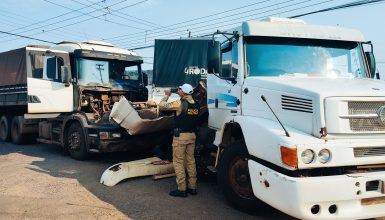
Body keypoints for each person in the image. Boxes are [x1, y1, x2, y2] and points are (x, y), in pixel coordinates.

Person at [158, 83, 200, 197]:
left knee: (178, 162)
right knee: (191, 161)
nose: (178, 91)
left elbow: (162, 106)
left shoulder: (180, 103)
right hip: (192, 136)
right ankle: (193, 187)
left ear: (184, 92)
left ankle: (182, 189)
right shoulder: (196, 104)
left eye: (180, 89)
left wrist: (167, 95)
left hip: (181, 137)